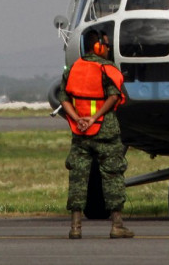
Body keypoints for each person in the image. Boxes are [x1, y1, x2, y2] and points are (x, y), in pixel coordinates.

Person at [59, 30, 134, 239]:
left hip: (80, 132)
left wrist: (77, 118)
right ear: (99, 46)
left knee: (78, 178)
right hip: (105, 132)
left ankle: (75, 227)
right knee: (112, 175)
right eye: (107, 46)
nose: (108, 49)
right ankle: (117, 225)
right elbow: (114, 96)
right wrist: (95, 118)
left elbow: (63, 98)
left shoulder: (74, 68)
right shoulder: (107, 69)